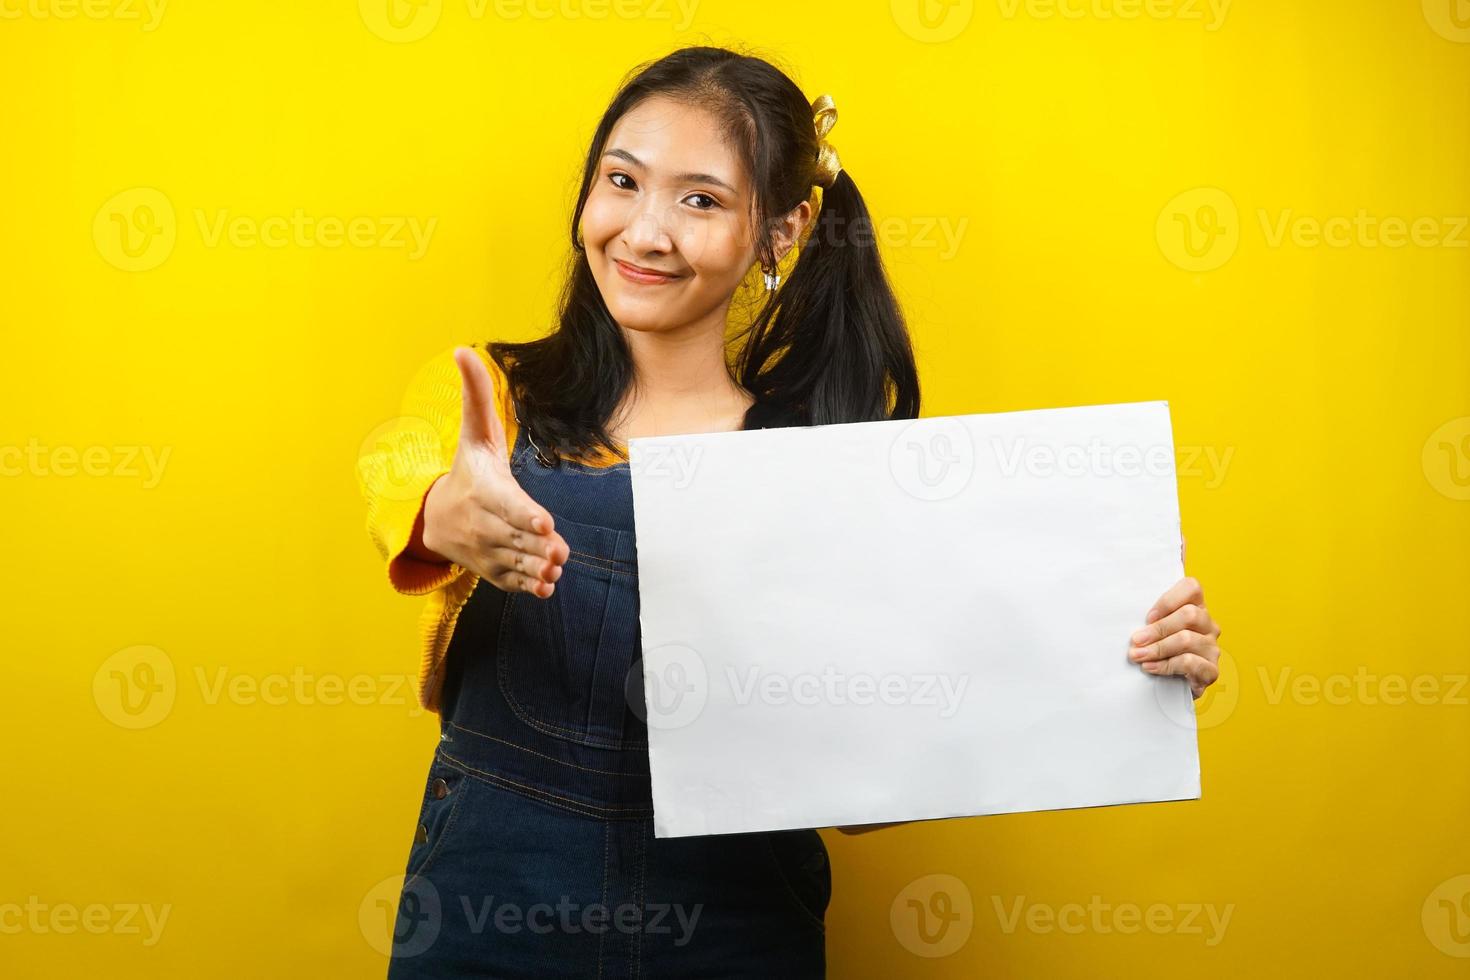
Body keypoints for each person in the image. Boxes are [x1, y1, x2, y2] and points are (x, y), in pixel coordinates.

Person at [357, 43, 1224, 979]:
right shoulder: (491, 397)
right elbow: (399, 474)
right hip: (491, 905)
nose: (645, 232)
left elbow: (867, 784)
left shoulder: (827, 468)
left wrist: (1121, 669)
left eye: (700, 200)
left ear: (781, 229)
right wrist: (447, 512)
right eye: (622, 181)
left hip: (732, 926)